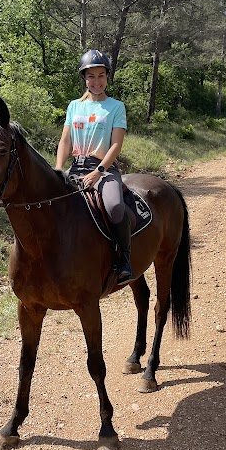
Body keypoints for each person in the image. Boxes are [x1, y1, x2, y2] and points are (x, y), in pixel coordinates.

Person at [55, 49, 133, 285]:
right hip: (75, 167)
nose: (96, 81)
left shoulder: (116, 107)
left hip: (103, 169)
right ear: (84, 78)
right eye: (91, 76)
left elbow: (117, 144)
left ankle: (124, 259)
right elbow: (65, 141)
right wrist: (59, 169)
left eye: (101, 75)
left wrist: (98, 172)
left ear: (107, 77)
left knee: (115, 207)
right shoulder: (74, 107)